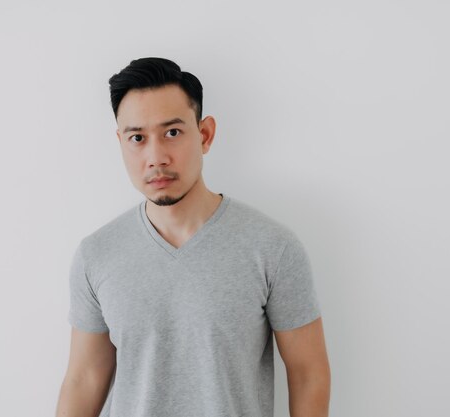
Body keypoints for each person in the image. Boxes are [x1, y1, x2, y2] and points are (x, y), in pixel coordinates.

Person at [55, 57, 331, 417]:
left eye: (172, 132)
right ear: (121, 142)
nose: (155, 157)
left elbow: (309, 374)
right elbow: (84, 378)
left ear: (205, 135)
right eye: (137, 138)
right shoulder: (96, 255)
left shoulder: (272, 248)